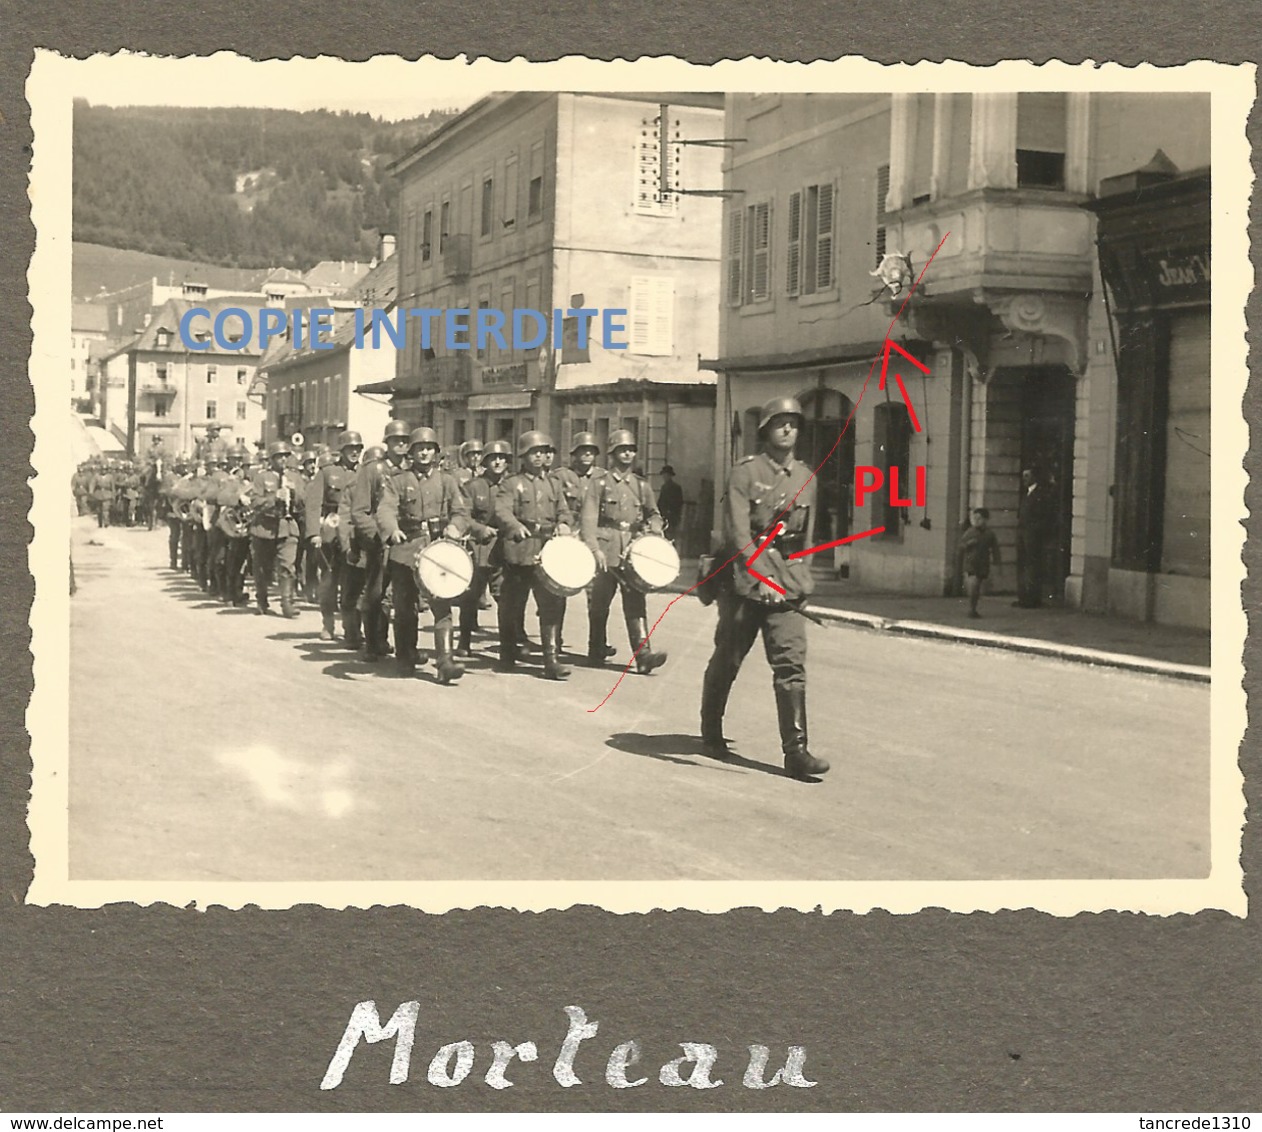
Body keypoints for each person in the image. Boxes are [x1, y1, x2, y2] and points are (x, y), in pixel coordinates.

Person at [699, 396, 829, 780]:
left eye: (793, 423)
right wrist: (760, 579)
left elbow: (807, 538)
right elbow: (739, 535)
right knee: (729, 658)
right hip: (745, 583)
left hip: (786, 585)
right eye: (779, 423)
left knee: (791, 664)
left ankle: (796, 751)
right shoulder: (745, 473)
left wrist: (801, 578)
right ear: (766, 431)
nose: (787, 429)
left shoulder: (807, 476)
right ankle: (710, 728)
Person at [377, 427, 471, 682]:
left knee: (442, 604)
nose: (425, 453)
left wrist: (455, 526)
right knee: (405, 607)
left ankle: (446, 661)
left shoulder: (447, 481)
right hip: (407, 549)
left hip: (439, 547)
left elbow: (462, 512)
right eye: (420, 448)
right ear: (411, 452)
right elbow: (386, 509)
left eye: (429, 448)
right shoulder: (398, 480)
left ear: (436, 452)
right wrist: (392, 530)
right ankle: (405, 656)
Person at [581, 429, 668, 674]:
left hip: (632, 551)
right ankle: (596, 647)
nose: (628, 453)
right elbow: (588, 519)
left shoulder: (641, 486)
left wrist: (655, 530)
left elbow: (654, 514)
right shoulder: (598, 484)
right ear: (612, 453)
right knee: (599, 603)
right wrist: (594, 548)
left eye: (631, 449)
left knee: (635, 601)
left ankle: (643, 655)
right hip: (606, 550)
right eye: (622, 449)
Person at [494, 431, 575, 680]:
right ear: (523, 456)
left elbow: (564, 510)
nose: (539, 457)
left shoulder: (553, 483)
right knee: (512, 605)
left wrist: (564, 524)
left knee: (550, 604)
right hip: (520, 551)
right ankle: (508, 652)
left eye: (542, 452)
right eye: (533, 452)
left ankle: (551, 659)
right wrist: (514, 526)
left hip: (547, 550)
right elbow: (502, 510)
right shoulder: (511, 483)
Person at [350, 421, 412, 661]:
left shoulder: (412, 469)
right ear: (387, 443)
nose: (401, 445)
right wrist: (379, 536)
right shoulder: (373, 470)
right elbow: (360, 511)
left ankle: (403, 647)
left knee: (405, 596)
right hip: (380, 542)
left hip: (406, 541)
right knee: (376, 594)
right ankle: (374, 642)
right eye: (396, 441)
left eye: (405, 441)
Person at [552, 433, 610, 660]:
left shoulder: (603, 478)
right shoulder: (560, 477)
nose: (587, 455)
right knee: (560, 592)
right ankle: (554, 642)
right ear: (573, 454)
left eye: (592, 451)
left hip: (593, 537)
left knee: (596, 595)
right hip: (568, 537)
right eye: (582, 451)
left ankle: (597, 645)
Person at [306, 431, 364, 641]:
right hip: (330, 534)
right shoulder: (328, 472)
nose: (355, 453)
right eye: (350, 449)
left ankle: (352, 629)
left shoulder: (364, 473)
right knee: (329, 582)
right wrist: (314, 533)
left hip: (354, 534)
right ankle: (328, 623)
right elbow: (313, 504)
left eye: (358, 449)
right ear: (342, 451)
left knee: (353, 583)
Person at [455, 439, 510, 658]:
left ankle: (508, 645)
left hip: (504, 549)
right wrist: (479, 529)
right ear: (485, 462)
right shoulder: (473, 487)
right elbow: (463, 515)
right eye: (492, 459)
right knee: (471, 597)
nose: (497, 462)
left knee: (505, 598)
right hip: (479, 549)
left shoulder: (512, 486)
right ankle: (464, 641)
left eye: (502, 458)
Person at [248, 439, 305, 617]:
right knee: (262, 567)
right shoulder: (262, 477)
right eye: (278, 457)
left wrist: (294, 493)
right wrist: (274, 497)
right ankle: (262, 600)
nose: (282, 460)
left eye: (285, 456)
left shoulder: (295, 477)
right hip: (264, 528)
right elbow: (255, 502)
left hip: (286, 527)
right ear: (271, 459)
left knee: (288, 566)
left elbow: (303, 503)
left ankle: (287, 603)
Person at [1014, 467, 1054, 608]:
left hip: (1032, 536)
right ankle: (1023, 597)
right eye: (1023, 476)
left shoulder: (1039, 495)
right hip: (1023, 535)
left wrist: (1033, 531)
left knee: (1032, 566)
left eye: (1027, 476)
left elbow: (1043, 517)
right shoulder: (1027, 494)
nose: (1024, 479)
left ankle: (1032, 598)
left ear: (1034, 478)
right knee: (1023, 565)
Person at [958, 507, 1001, 618]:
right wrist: (968, 544)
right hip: (971, 563)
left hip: (982, 563)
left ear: (986, 520)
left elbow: (995, 549)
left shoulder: (989, 534)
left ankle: (973, 608)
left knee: (976, 588)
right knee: (974, 585)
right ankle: (971, 609)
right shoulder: (970, 532)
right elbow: (961, 546)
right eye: (974, 518)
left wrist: (997, 563)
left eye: (979, 518)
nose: (976, 521)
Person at [656, 465, 685, 544]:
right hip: (664, 515)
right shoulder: (664, 487)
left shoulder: (676, 488)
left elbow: (679, 503)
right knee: (664, 535)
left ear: (670, 476)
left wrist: (674, 513)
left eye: (666, 475)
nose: (664, 477)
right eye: (663, 475)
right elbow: (660, 501)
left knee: (671, 535)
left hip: (672, 516)